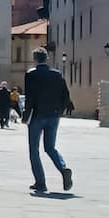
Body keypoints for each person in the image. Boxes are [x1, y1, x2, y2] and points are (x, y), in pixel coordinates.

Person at [23, 48, 74, 194]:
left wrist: (26, 116)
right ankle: (63, 168)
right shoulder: (57, 74)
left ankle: (41, 183)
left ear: (35, 58)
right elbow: (66, 95)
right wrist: (60, 111)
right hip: (54, 115)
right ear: (47, 58)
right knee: (50, 148)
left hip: (37, 115)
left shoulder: (31, 74)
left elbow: (29, 97)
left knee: (34, 149)